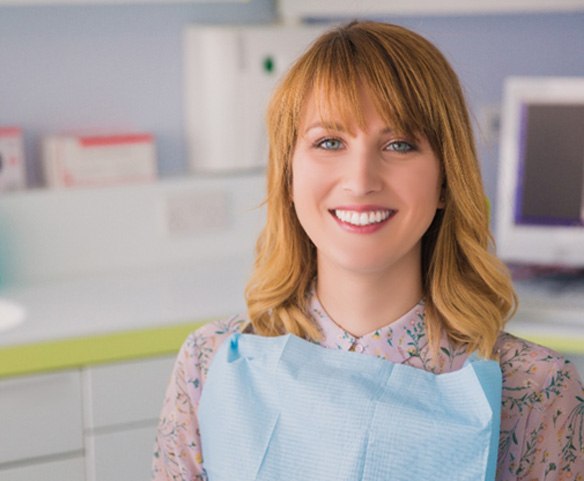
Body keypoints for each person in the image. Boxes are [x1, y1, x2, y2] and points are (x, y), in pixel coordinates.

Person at [152, 21, 584, 481]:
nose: (361, 181)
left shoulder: (534, 390)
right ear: (288, 176)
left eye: (399, 144)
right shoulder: (210, 362)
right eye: (329, 142)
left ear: (444, 180)